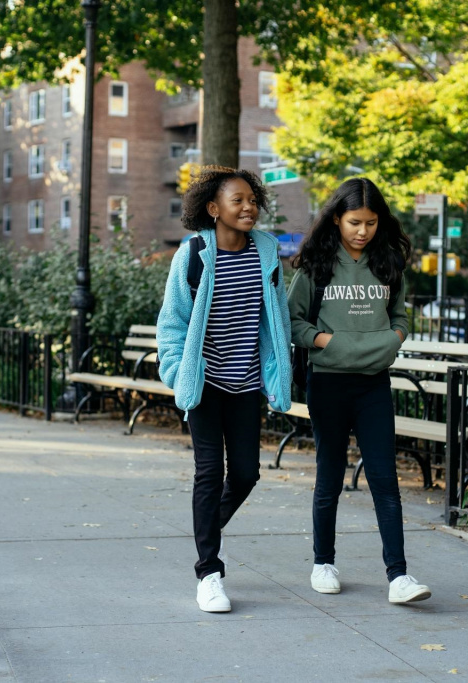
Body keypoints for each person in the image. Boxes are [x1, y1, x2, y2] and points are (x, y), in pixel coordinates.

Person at [288, 177, 431, 604]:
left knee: (385, 478)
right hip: (328, 383)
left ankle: (399, 577)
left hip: (373, 384)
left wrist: (396, 337)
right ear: (337, 218)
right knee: (329, 475)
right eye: (354, 222)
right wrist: (327, 342)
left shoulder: (388, 262)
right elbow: (294, 322)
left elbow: (402, 314)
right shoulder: (318, 265)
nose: (362, 231)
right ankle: (323, 563)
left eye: (370, 222)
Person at [156, 166, 292, 613]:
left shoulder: (267, 253)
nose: (249, 207)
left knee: (248, 473)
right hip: (205, 383)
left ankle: (205, 538)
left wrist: (278, 374)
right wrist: (178, 372)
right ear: (214, 209)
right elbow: (172, 322)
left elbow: (277, 320)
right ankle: (209, 572)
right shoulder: (193, 254)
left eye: (253, 199)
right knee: (209, 471)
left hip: (246, 383)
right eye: (238, 200)